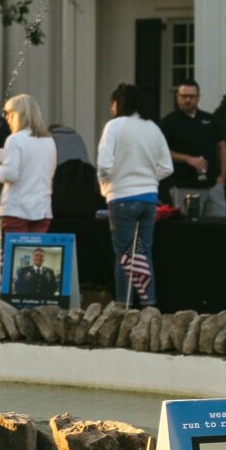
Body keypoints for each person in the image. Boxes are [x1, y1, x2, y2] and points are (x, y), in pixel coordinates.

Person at [96, 83, 170, 305]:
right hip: (148, 198)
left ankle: (123, 305)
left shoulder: (114, 127)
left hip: (121, 197)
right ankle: (149, 305)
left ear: (119, 103)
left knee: (124, 256)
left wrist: (105, 185)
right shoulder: (153, 128)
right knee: (143, 254)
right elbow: (167, 167)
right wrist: (148, 178)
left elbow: (104, 165)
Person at [159, 81, 226, 216]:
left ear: (198, 97)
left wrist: (222, 177)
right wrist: (188, 159)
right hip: (185, 187)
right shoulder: (168, 122)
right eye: (184, 96)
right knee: (190, 229)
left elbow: (222, 147)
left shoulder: (210, 119)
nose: (187, 100)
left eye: (191, 96)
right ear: (177, 97)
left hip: (213, 186)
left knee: (218, 229)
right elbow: (161, 153)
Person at [0, 93, 56, 235]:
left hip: (17, 208)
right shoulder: (48, 140)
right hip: (42, 208)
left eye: (9, 114)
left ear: (18, 115)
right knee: (36, 253)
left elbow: (10, 174)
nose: (6, 118)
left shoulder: (14, 140)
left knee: (17, 253)